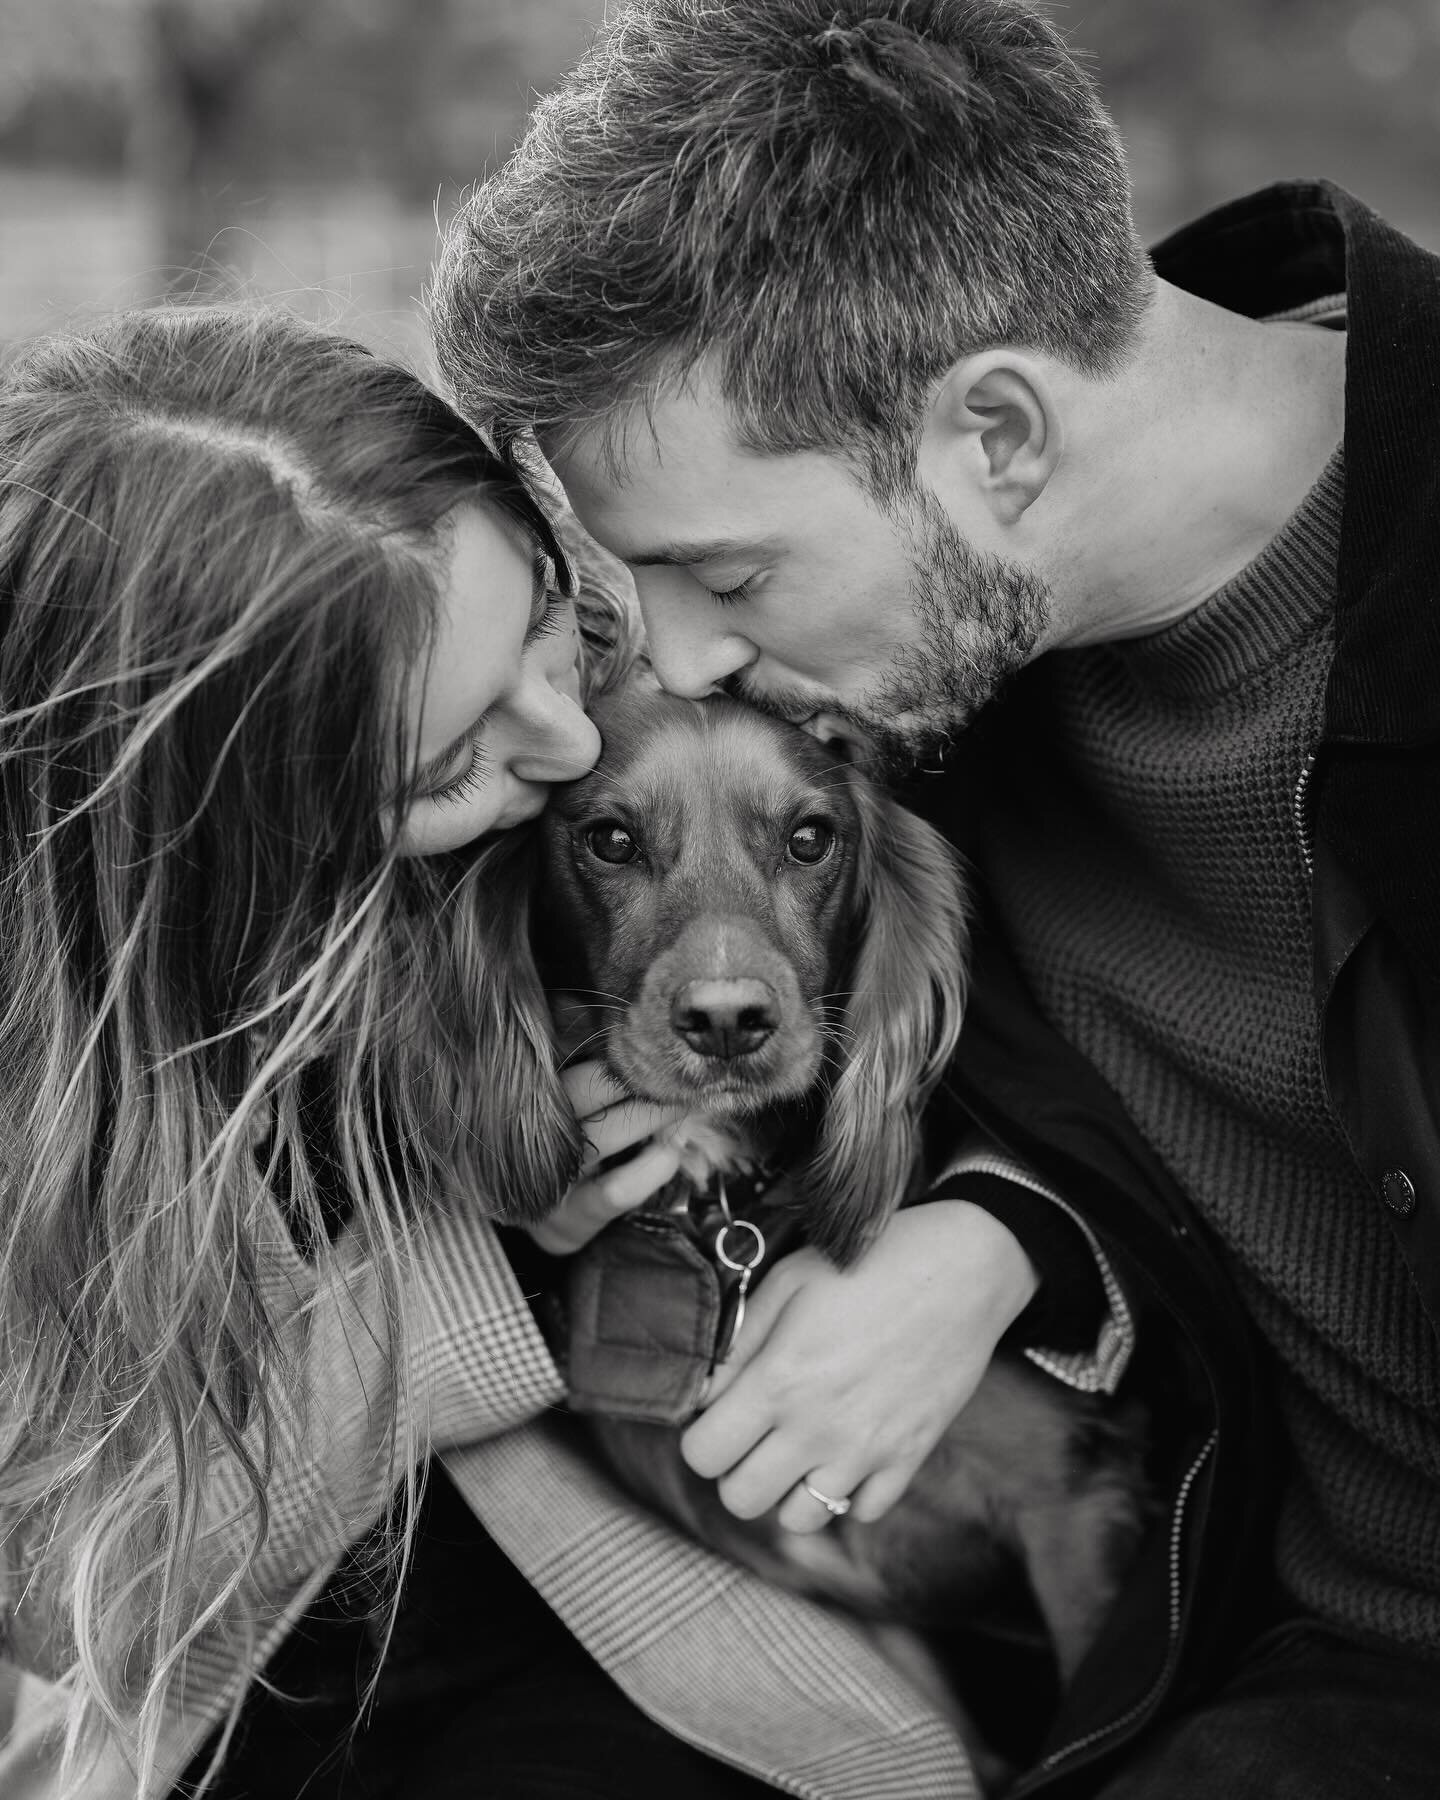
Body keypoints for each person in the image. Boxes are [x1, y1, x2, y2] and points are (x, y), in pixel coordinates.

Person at [430, 0, 1440, 1795]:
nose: (669, 659)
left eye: (722, 570)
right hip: (1211, 1613)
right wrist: (1011, 1229)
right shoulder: (932, 683)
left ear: (996, 434)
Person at [0, 303, 841, 1800]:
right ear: (241, 825)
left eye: (547, 624)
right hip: (278, 1705)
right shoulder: (86, 1073)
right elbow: (92, 1601)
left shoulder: (666, 707)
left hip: (674, 1633)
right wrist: (488, 1265)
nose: (571, 742)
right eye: (452, 758)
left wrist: (993, 1232)